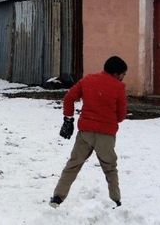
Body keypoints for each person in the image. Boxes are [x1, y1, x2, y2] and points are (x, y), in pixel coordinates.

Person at [50, 56, 128, 208]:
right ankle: (116, 200)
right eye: (123, 75)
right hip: (106, 135)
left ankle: (57, 198)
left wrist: (69, 119)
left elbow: (69, 98)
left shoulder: (88, 80)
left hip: (85, 132)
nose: (123, 78)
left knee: (73, 165)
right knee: (110, 168)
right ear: (117, 74)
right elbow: (121, 115)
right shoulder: (118, 87)